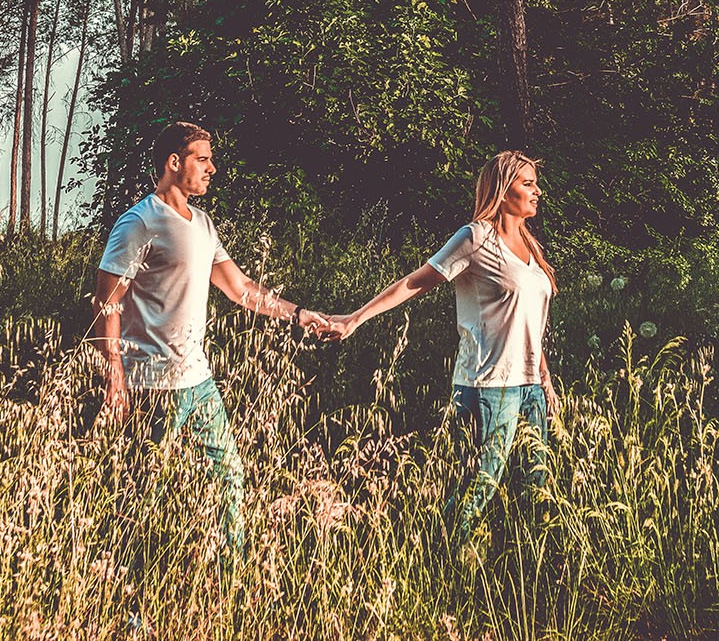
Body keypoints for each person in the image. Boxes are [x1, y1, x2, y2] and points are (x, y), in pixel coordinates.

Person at [91, 120, 337, 558]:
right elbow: (106, 301)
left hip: (198, 381)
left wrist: (299, 315)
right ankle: (132, 609)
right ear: (174, 162)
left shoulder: (202, 224)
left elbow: (241, 289)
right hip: (152, 386)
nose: (212, 169)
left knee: (229, 476)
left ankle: (230, 582)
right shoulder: (139, 222)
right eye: (202, 159)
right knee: (144, 494)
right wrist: (115, 376)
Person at [337, 150, 557, 540]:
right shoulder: (474, 238)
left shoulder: (530, 246)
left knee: (535, 484)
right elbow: (413, 282)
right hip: (488, 387)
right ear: (505, 191)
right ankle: (443, 554)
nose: (537, 191)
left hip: (529, 389)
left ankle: (524, 568)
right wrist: (354, 318)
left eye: (535, 183)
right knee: (480, 486)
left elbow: (530, 325)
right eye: (528, 183)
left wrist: (545, 379)